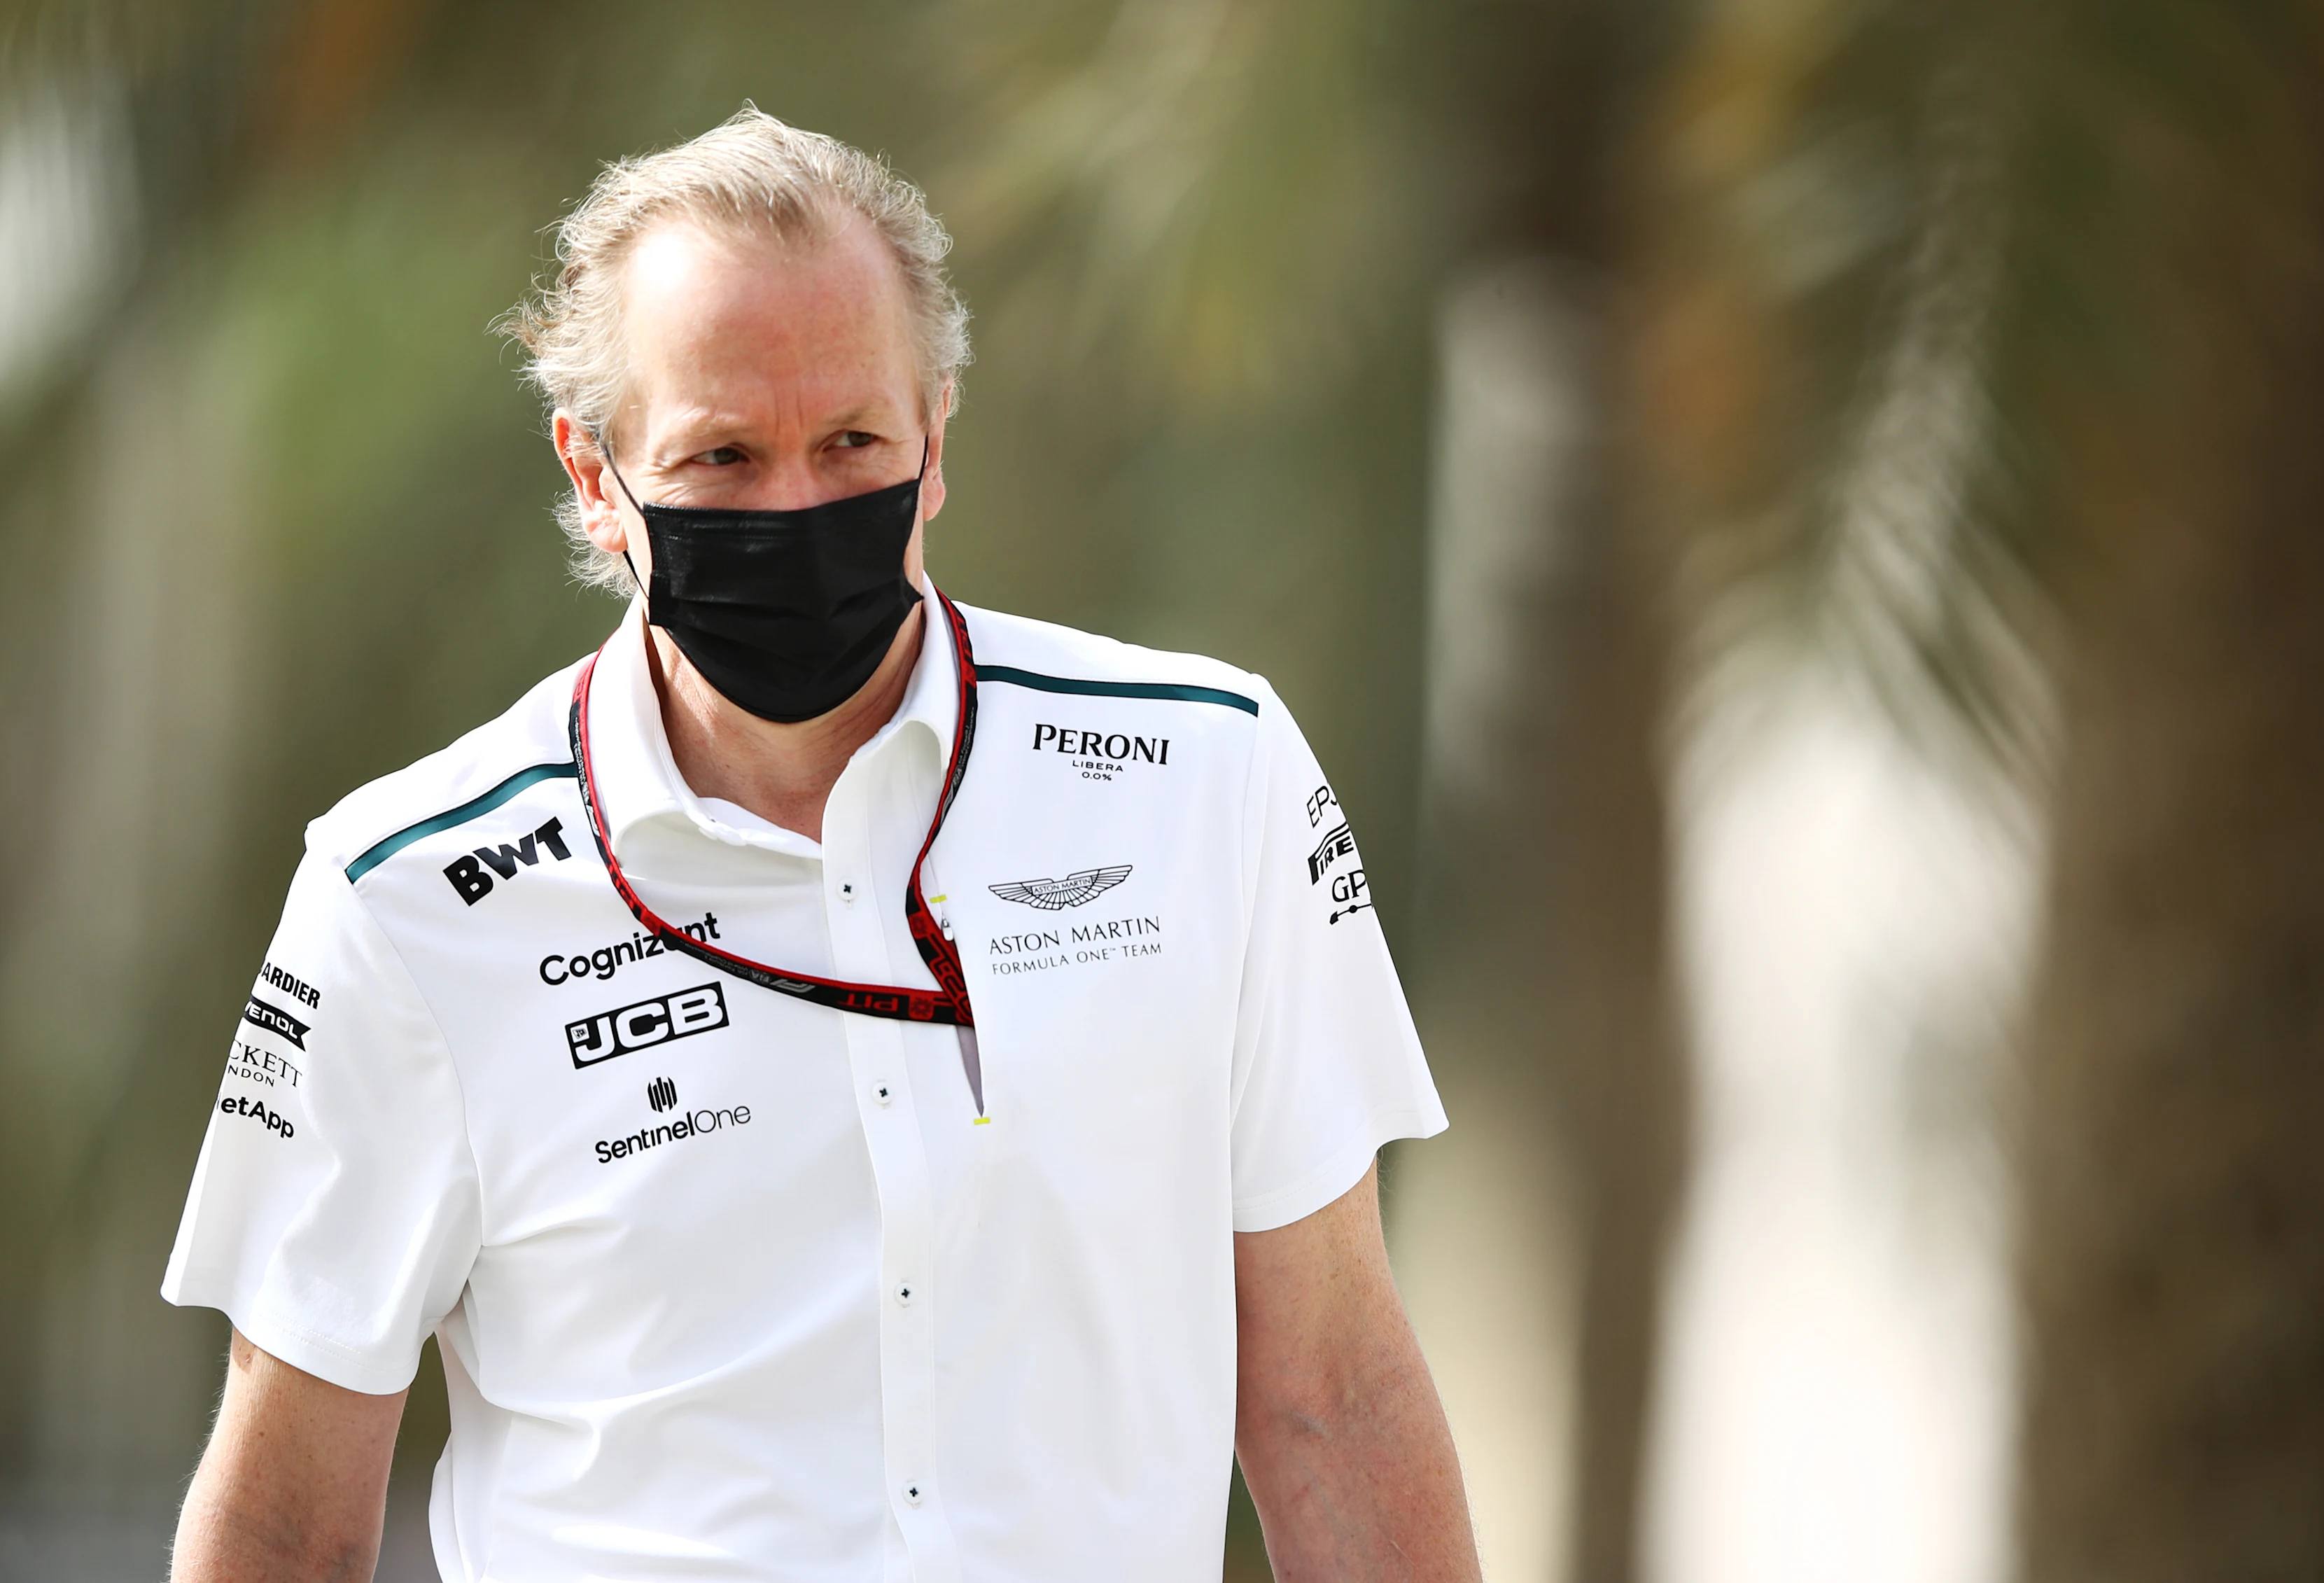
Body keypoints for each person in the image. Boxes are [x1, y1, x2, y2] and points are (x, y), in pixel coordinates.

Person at [162, 108, 1476, 1583]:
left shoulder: (1204, 779)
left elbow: (1331, 1399)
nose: (795, 504)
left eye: (850, 440)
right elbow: (284, 1519)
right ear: (596, 474)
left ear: (936, 431)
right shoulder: (398, 897)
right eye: (722, 456)